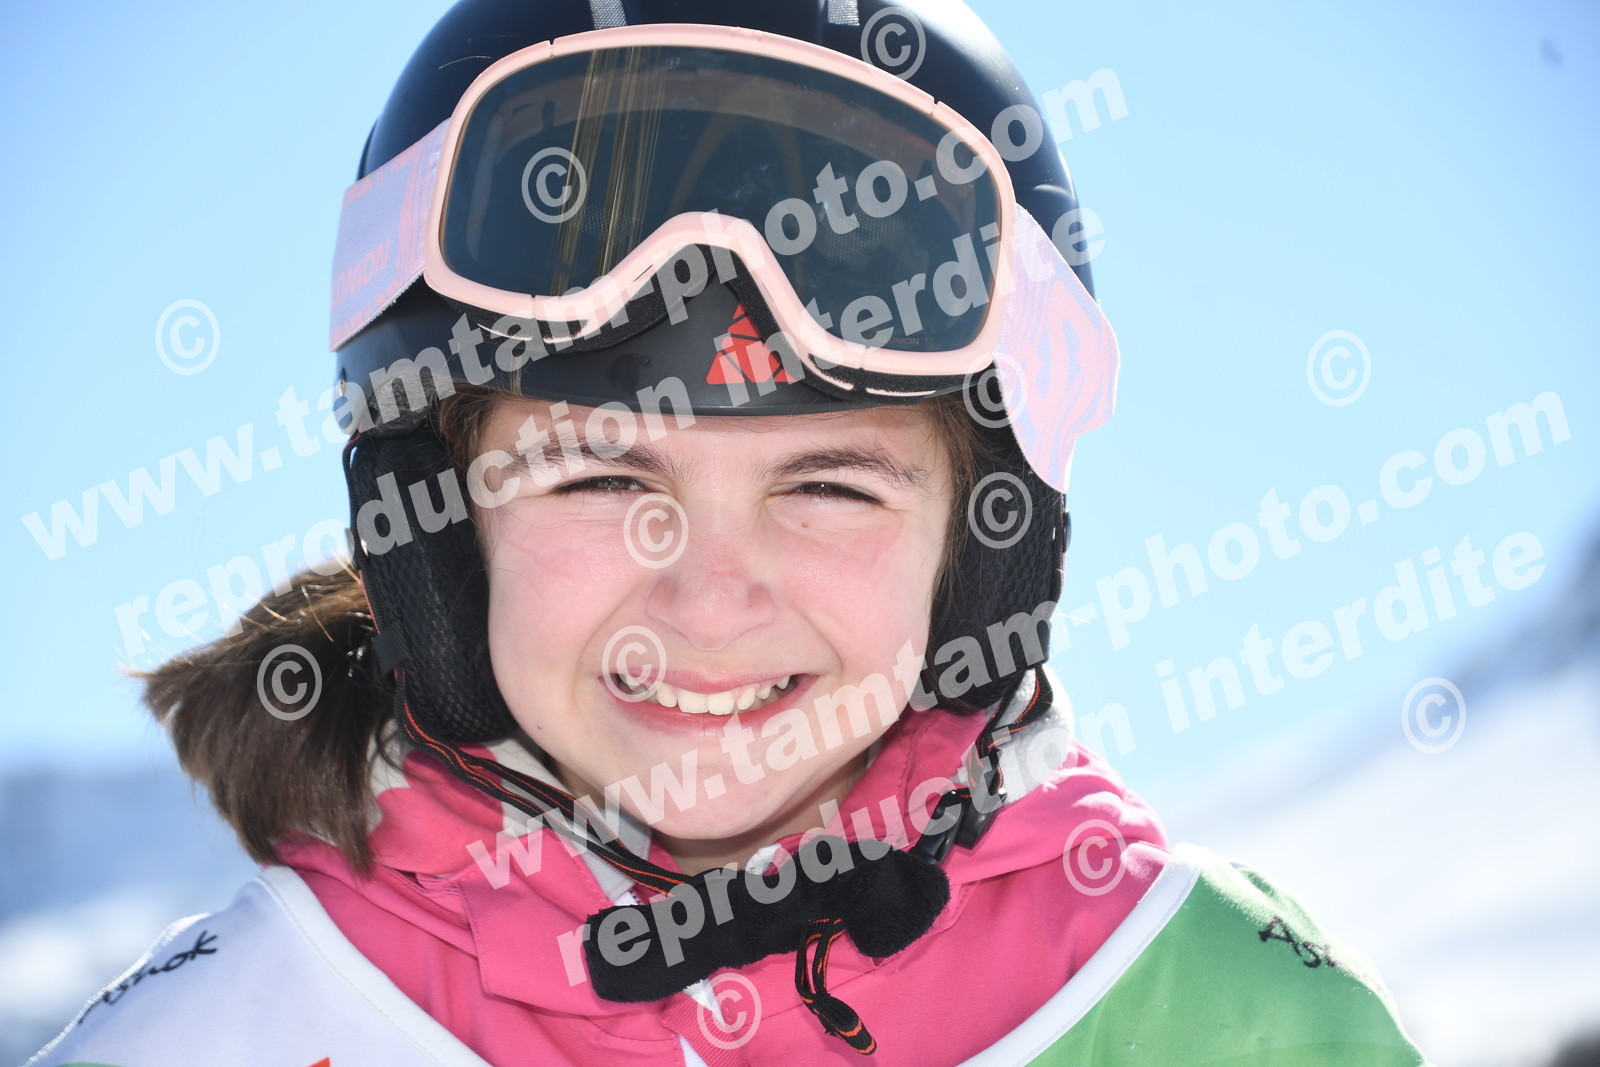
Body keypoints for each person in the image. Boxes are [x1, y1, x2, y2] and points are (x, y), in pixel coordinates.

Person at [29, 0, 1428, 1063]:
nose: (707, 601)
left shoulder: (1223, 1017)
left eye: (829, 487)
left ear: (979, 553)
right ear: (438, 531)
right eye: (597, 481)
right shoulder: (225, 1034)